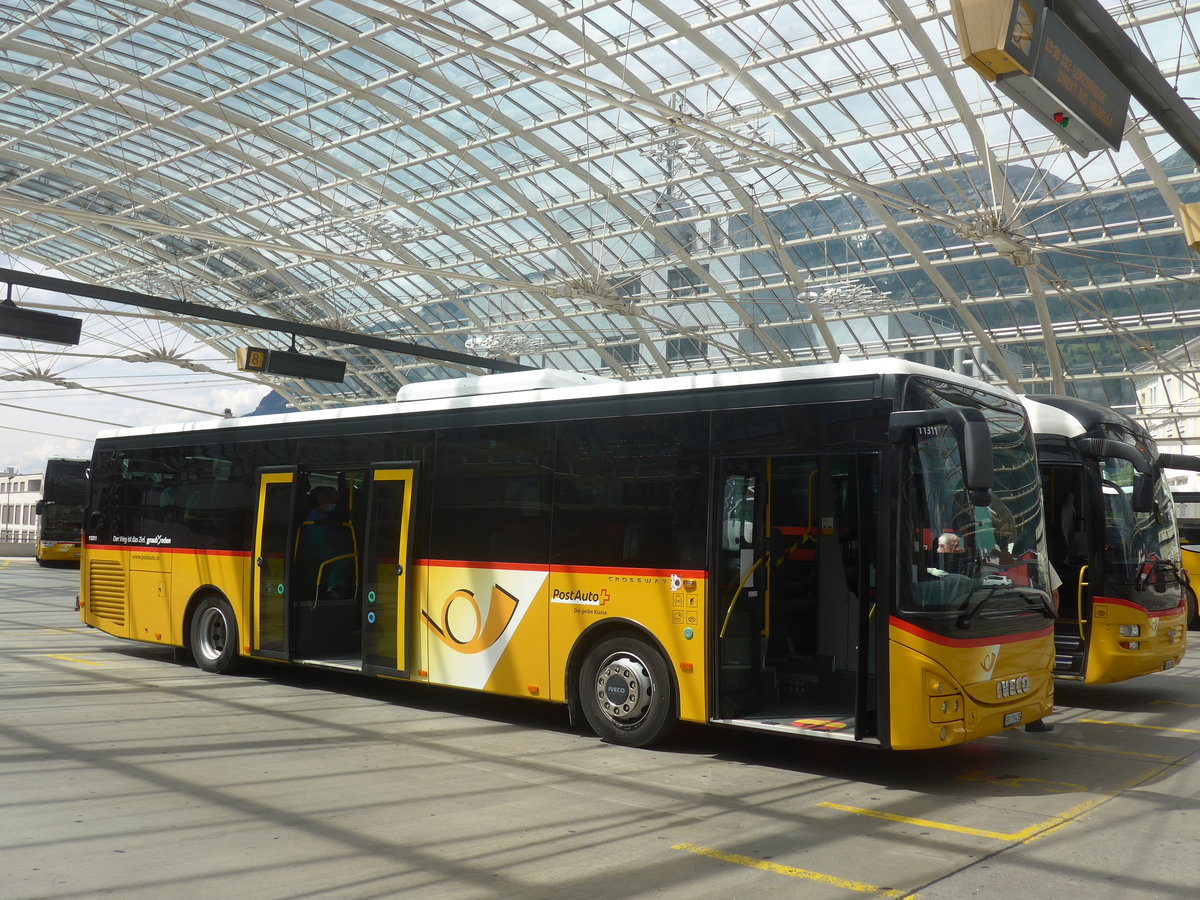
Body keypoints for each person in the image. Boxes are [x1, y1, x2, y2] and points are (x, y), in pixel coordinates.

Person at [295, 486, 356, 603]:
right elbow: (317, 538)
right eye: (333, 502)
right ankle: (333, 589)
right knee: (339, 561)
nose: (335, 505)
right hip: (314, 548)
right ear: (325, 502)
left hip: (320, 547)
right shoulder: (314, 516)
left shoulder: (323, 515)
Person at [1025, 561, 1062, 734]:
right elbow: (1054, 594)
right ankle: (1033, 719)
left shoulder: (991, 557)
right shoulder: (1039, 559)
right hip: (1037, 626)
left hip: (1008, 624)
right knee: (1039, 672)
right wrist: (1052, 620)